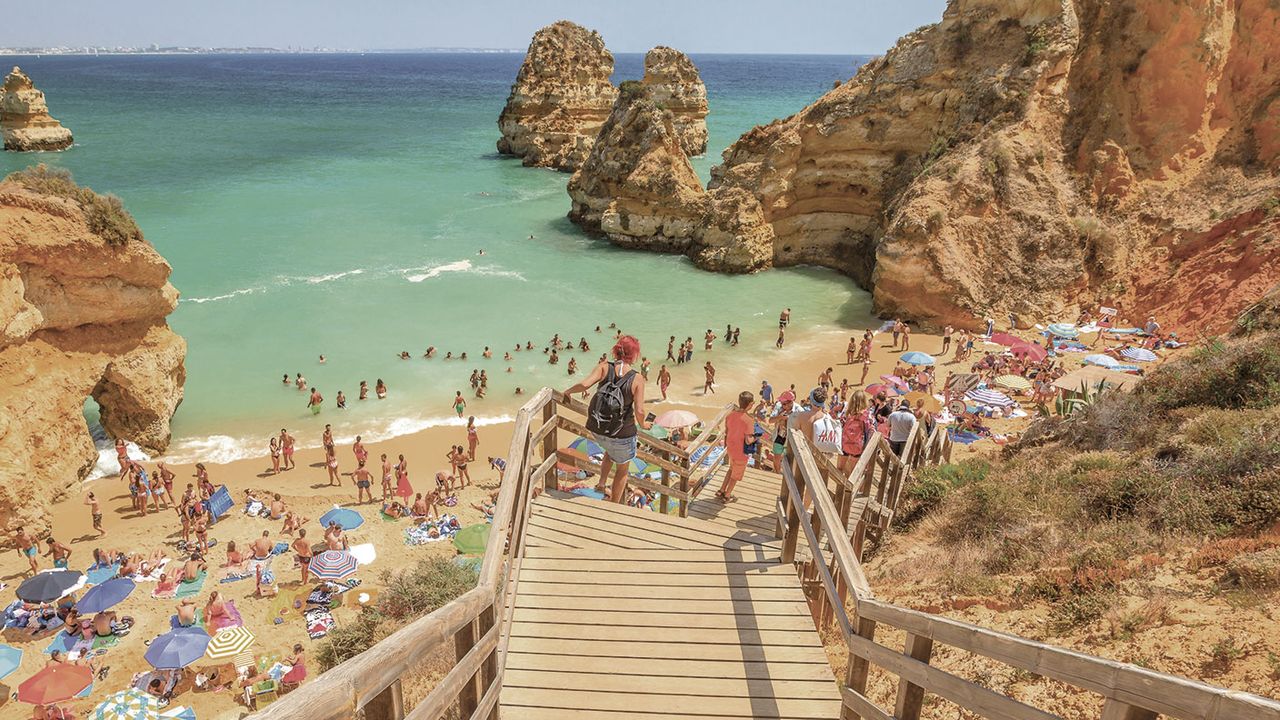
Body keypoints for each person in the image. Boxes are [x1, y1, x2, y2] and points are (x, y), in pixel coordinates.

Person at [564, 335, 652, 503]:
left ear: (616, 350)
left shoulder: (604, 367)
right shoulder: (637, 378)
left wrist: (567, 392)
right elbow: (639, 410)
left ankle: (602, 483)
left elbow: (584, 385)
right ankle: (614, 507)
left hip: (598, 430)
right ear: (634, 355)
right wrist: (643, 424)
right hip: (622, 433)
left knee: (610, 450)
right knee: (622, 470)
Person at [719, 391, 755, 502]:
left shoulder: (730, 415)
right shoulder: (749, 420)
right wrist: (756, 437)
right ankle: (727, 495)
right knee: (736, 475)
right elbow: (749, 441)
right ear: (750, 404)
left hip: (730, 448)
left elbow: (728, 430)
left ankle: (721, 490)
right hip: (741, 452)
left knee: (731, 469)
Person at [839, 391, 871, 474]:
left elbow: (840, 426)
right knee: (854, 472)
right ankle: (851, 486)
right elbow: (869, 432)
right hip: (858, 446)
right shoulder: (867, 416)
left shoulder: (846, 414)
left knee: (840, 469)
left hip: (844, 444)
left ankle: (842, 486)